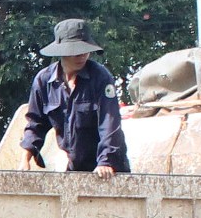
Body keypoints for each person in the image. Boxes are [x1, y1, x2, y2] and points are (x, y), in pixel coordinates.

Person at [19, 19, 129, 179]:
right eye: (76, 51)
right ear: (62, 51)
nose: (83, 55)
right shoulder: (43, 81)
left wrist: (106, 162)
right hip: (72, 170)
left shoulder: (101, 78)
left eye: (85, 50)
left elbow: (110, 123)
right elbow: (35, 124)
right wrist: (25, 160)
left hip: (108, 171)